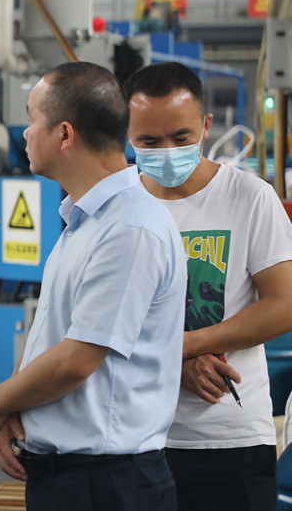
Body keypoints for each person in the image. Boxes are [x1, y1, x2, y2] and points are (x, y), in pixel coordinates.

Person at [0, 61, 186, 511]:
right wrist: (16, 404)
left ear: (65, 135)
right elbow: (52, 336)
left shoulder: (130, 228)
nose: (25, 133)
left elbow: (76, 360)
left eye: (32, 119)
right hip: (71, 478)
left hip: (109, 484)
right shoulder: (84, 221)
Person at [124, 61, 292, 511]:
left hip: (230, 438)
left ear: (205, 125)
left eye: (180, 138)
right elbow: (89, 319)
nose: (167, 152)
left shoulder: (249, 197)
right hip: (133, 437)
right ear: (127, 134)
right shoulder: (118, 207)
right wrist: (174, 362)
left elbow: (284, 305)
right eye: (149, 142)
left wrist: (186, 346)